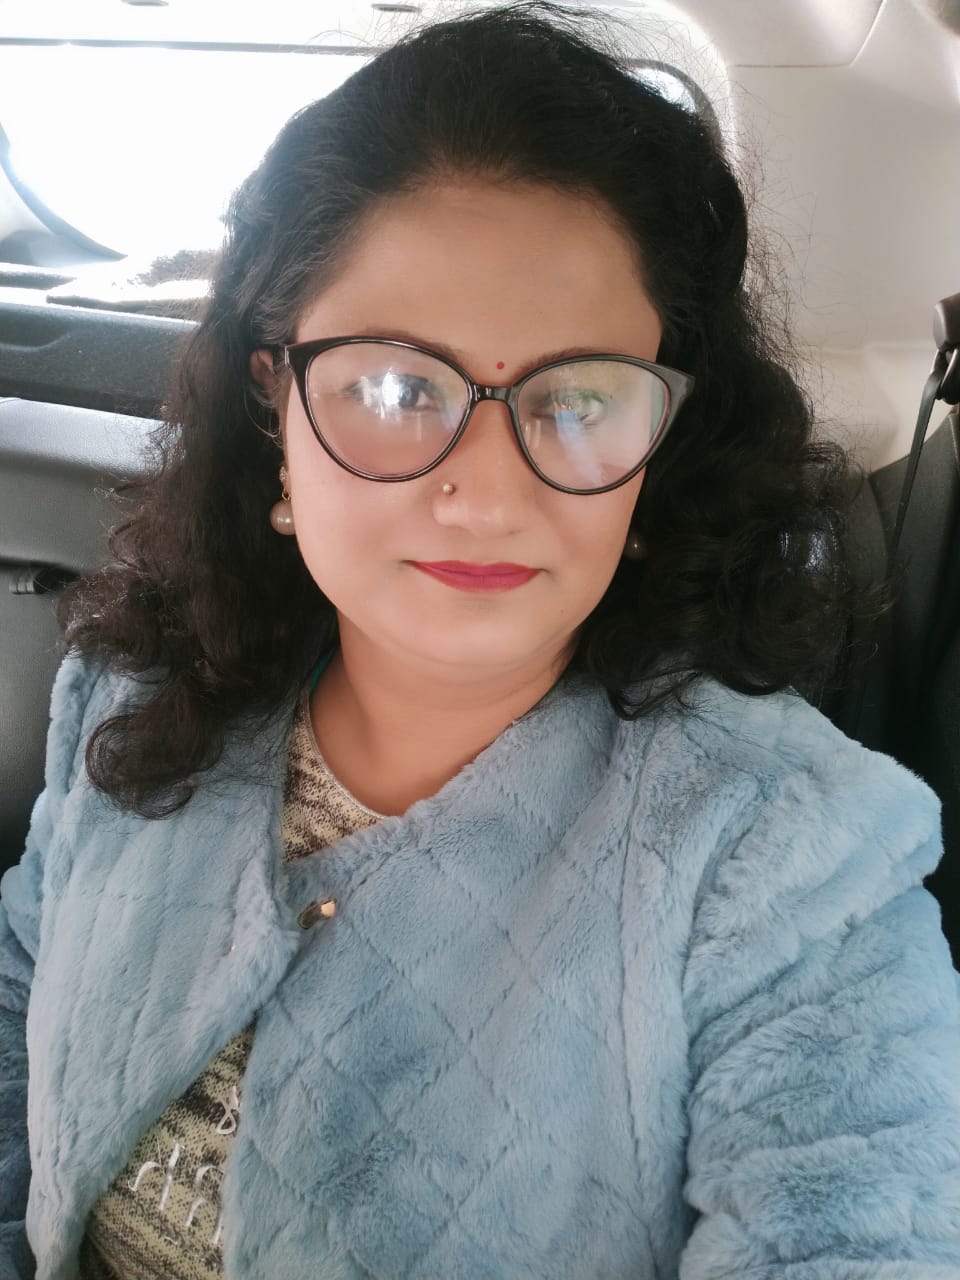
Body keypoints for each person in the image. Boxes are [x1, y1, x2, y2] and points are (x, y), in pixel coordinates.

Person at [2, 3, 958, 1278]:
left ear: (661, 443)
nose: (490, 492)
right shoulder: (128, 692)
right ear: (276, 406)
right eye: (397, 387)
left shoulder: (791, 861)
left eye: (580, 398)